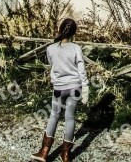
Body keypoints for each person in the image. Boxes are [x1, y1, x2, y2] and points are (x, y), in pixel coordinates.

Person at [31, 18, 89, 162]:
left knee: (54, 116)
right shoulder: (76, 48)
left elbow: (52, 65)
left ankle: (44, 152)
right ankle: (66, 155)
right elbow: (82, 70)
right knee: (70, 118)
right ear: (74, 32)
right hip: (75, 87)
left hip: (58, 88)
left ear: (60, 30)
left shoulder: (51, 49)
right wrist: (86, 87)